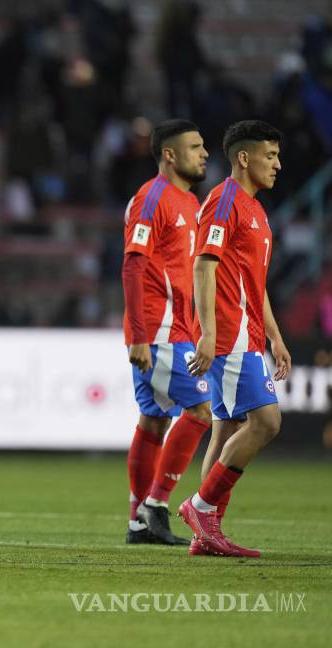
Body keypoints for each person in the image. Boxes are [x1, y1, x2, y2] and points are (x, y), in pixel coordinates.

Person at [181, 120, 291, 558]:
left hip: (247, 333)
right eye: (270, 155)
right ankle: (201, 507)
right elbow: (203, 265)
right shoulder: (224, 201)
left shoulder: (256, 209)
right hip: (227, 333)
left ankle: (204, 534)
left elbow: (255, 283)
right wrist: (208, 333)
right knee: (266, 422)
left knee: (225, 428)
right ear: (244, 158)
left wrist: (275, 338)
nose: (278, 164)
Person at [120, 119, 212, 546]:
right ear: (170, 154)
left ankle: (139, 521)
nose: (205, 153)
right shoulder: (151, 198)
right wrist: (139, 333)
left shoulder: (191, 203)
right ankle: (156, 504)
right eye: (195, 146)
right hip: (158, 330)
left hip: (177, 329)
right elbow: (134, 264)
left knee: (154, 421)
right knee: (200, 410)